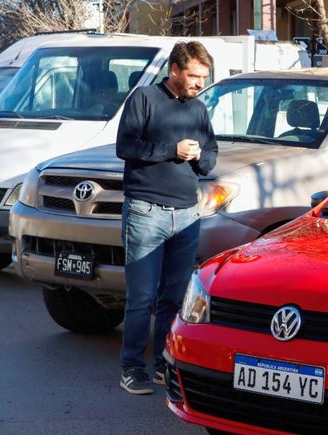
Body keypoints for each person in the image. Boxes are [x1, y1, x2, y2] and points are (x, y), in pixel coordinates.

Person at [115, 41, 218, 395]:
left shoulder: (200, 109)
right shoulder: (144, 99)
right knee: (141, 297)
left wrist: (199, 156)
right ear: (174, 69)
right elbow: (125, 147)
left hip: (187, 215)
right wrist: (170, 151)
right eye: (193, 76)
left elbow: (210, 158)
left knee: (173, 299)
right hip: (146, 211)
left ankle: (162, 363)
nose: (199, 83)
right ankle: (131, 368)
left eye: (203, 77)